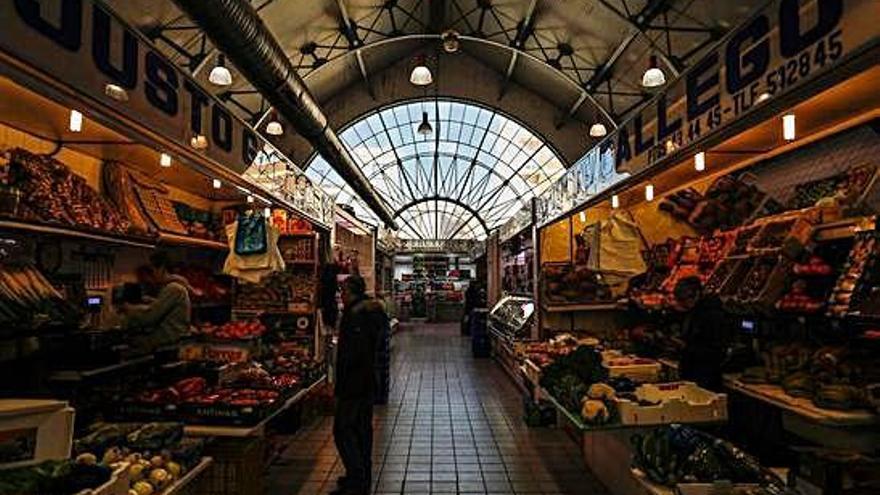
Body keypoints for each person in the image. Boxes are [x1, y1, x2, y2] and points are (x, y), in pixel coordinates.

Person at [333, 275, 386, 495]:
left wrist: (339, 382)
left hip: (354, 382)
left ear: (351, 291)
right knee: (362, 429)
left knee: (343, 430)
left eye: (343, 291)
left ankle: (356, 480)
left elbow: (352, 353)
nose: (341, 296)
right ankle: (362, 477)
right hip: (368, 381)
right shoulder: (372, 311)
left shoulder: (355, 315)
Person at [120, 252, 191, 354]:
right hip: (173, 341)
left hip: (169, 342)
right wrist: (153, 301)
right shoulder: (174, 287)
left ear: (162, 268)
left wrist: (129, 308)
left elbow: (150, 316)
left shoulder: (173, 288)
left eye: (153, 271)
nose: (152, 276)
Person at [671, 276, 728, 391]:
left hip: (705, 376)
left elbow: (715, 350)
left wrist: (685, 347)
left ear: (697, 294)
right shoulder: (693, 311)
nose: (682, 304)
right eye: (679, 300)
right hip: (693, 372)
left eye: (683, 300)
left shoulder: (712, 315)